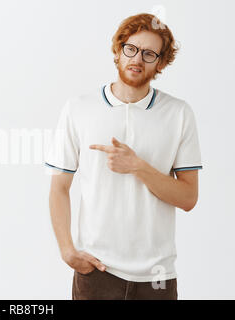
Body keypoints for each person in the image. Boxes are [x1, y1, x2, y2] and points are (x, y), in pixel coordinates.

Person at [44, 13, 203, 300]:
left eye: (149, 53)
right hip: (96, 271)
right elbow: (59, 187)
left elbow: (188, 198)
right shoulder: (78, 109)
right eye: (131, 48)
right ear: (118, 50)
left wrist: (138, 167)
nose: (137, 59)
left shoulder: (179, 113)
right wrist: (68, 251)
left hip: (158, 277)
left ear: (160, 63)